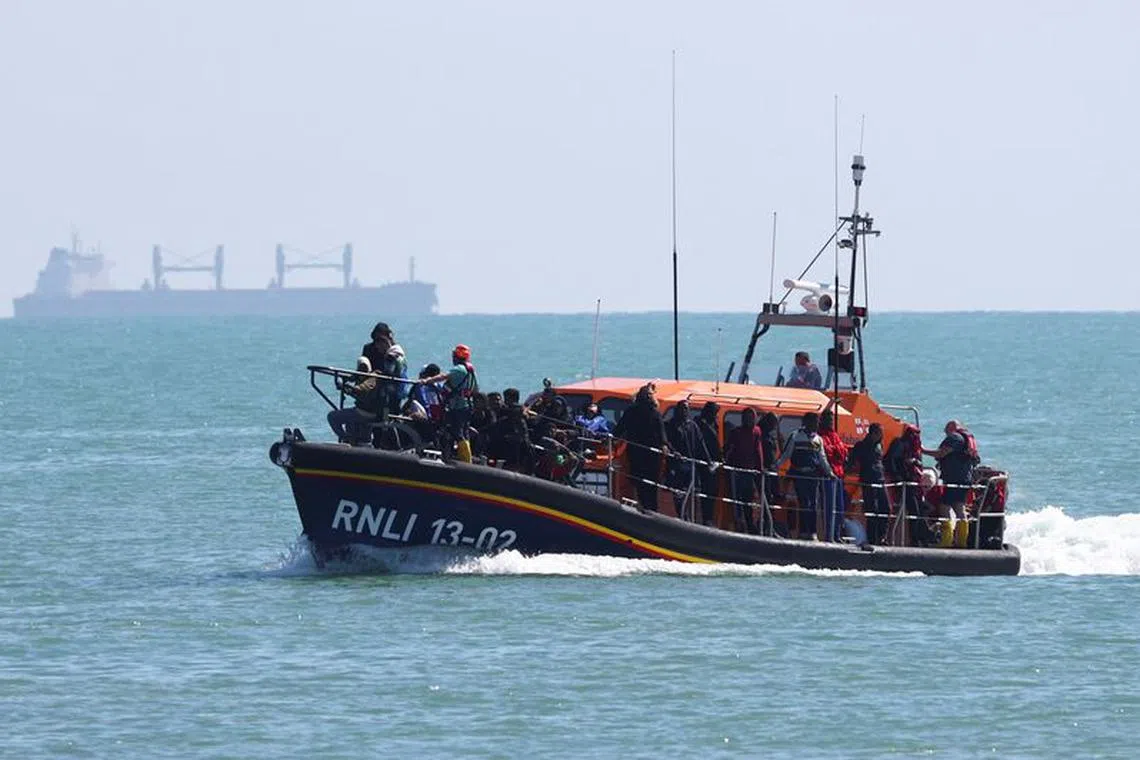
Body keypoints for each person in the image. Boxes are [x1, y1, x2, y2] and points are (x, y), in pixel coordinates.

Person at [775, 412, 834, 540]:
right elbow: (786, 454)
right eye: (814, 422)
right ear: (806, 423)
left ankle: (812, 532)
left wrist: (830, 473)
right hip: (799, 474)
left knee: (813, 503)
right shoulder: (795, 436)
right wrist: (776, 466)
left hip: (813, 476)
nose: (816, 425)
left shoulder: (818, 439)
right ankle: (803, 532)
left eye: (817, 422)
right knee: (804, 502)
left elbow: (822, 458)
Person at [418, 344, 479, 463]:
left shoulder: (458, 369)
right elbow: (475, 389)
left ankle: (465, 461)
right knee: (464, 433)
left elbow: (443, 376)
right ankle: (464, 458)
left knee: (457, 433)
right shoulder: (471, 372)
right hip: (467, 406)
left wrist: (427, 381)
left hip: (457, 406)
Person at [613, 383, 668, 512]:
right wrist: (664, 445)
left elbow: (620, 428)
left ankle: (645, 507)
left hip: (637, 452)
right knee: (650, 485)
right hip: (650, 454)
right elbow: (662, 434)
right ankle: (651, 509)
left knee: (641, 483)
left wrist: (612, 438)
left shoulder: (632, 411)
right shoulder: (654, 412)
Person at [928, 420, 978, 548]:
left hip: (955, 479)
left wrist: (922, 450)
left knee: (944, 507)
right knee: (959, 508)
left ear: (951, 428)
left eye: (946, 430)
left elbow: (941, 453)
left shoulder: (955, 437)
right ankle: (961, 542)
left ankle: (946, 540)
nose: (945, 433)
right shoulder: (965, 440)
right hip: (965, 479)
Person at [665, 400, 713, 522]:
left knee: (692, 491)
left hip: (691, 464)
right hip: (677, 464)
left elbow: (701, 443)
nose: (684, 411)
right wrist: (674, 452)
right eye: (682, 408)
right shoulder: (671, 425)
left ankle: (690, 518)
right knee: (678, 492)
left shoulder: (692, 426)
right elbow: (667, 441)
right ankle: (681, 515)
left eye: (686, 408)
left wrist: (708, 461)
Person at [847, 423, 889, 545]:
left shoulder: (879, 445)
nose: (882, 435)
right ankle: (872, 539)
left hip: (880, 480)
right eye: (880, 433)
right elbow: (852, 461)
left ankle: (882, 537)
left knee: (885, 508)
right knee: (872, 510)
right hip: (868, 481)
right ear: (873, 433)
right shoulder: (861, 446)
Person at [724, 407, 763, 534]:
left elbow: (758, 451)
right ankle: (738, 523)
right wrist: (727, 463)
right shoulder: (736, 432)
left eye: (752, 417)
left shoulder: (757, 431)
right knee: (737, 498)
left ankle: (749, 523)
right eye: (747, 417)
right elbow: (728, 449)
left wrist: (760, 469)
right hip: (736, 471)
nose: (749, 420)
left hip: (749, 472)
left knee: (748, 498)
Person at [885, 425, 925, 545]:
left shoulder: (914, 447)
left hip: (913, 482)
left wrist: (915, 463)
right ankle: (912, 539)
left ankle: (918, 537)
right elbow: (891, 460)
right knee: (912, 509)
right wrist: (898, 476)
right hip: (903, 482)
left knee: (917, 510)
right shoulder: (900, 444)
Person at [327, 357, 380, 443]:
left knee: (332, 417)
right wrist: (345, 388)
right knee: (350, 421)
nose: (362, 370)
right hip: (362, 410)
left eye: (364, 367)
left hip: (366, 412)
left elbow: (361, 389)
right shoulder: (362, 378)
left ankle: (347, 439)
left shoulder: (372, 378)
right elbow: (358, 395)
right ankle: (357, 441)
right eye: (360, 368)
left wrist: (346, 386)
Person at [361, 322, 408, 417]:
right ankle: (388, 421)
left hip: (388, 389)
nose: (377, 348)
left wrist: (379, 374)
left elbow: (389, 373)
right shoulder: (398, 352)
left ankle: (386, 423)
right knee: (390, 408)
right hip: (396, 388)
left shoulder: (391, 356)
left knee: (386, 410)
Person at [819, 409, 849, 542]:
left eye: (831, 420)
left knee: (839, 508)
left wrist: (837, 450)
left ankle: (837, 535)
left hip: (838, 475)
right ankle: (829, 536)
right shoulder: (820, 436)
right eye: (828, 420)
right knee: (829, 508)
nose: (830, 422)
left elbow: (843, 452)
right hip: (828, 476)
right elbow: (828, 453)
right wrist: (838, 450)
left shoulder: (835, 435)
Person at [758, 412, 783, 514]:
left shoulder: (771, 434)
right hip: (765, 469)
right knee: (766, 495)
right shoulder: (762, 434)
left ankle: (769, 518)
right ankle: (765, 518)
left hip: (771, 468)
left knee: (771, 495)